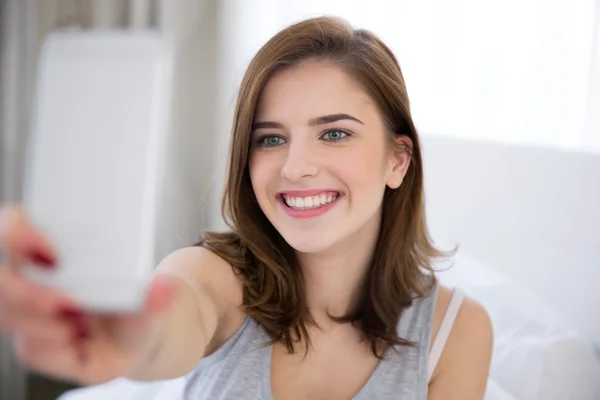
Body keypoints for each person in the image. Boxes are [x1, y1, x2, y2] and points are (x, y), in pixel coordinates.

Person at [0, 16, 493, 399]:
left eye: (335, 133)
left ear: (398, 161)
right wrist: (131, 337)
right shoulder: (213, 275)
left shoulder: (456, 331)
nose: (295, 167)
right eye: (271, 138)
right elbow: (176, 316)